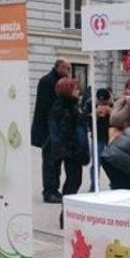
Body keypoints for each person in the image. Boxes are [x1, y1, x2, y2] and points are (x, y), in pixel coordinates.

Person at [48, 78, 89, 227]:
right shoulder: (66, 108)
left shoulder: (69, 106)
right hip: (71, 152)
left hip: (71, 152)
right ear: (68, 90)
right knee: (73, 182)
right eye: (76, 88)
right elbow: (67, 133)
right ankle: (65, 215)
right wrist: (76, 150)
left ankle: (67, 214)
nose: (79, 91)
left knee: (73, 181)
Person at [31, 58, 71, 203]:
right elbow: (47, 108)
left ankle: (54, 189)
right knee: (50, 162)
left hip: (55, 129)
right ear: (59, 67)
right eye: (67, 68)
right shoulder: (48, 82)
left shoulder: (57, 81)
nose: (69, 72)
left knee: (56, 161)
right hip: (48, 130)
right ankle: (49, 191)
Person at [83, 88, 112, 192]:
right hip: (97, 136)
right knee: (96, 162)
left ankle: (114, 183)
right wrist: (94, 115)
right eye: (100, 101)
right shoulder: (90, 104)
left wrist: (110, 112)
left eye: (104, 102)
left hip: (111, 136)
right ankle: (94, 184)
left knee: (113, 162)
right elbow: (84, 119)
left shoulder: (114, 104)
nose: (102, 103)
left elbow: (119, 119)